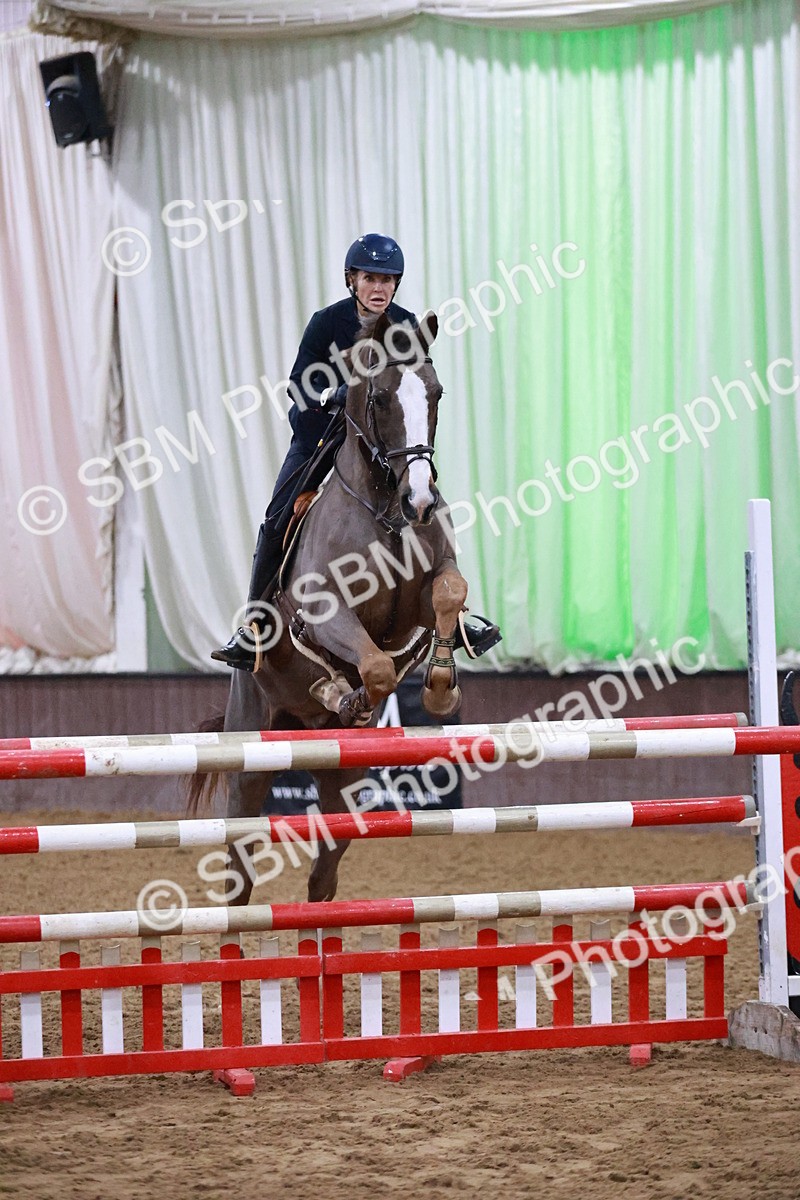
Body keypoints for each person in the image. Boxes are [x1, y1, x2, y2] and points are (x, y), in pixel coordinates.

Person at [212, 233, 501, 671]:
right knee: (276, 517)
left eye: (387, 279)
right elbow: (299, 386)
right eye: (370, 278)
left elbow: (417, 386)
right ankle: (254, 625)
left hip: (385, 444)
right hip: (323, 437)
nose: (379, 288)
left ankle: (459, 617)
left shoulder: (406, 327)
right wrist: (338, 396)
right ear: (352, 280)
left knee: (431, 503)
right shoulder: (326, 323)